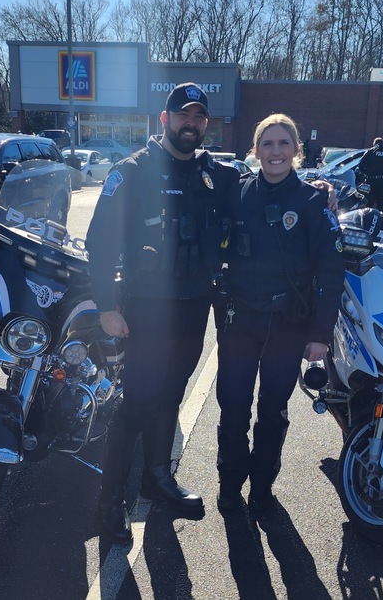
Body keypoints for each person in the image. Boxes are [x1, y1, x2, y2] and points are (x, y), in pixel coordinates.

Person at [85, 82, 238, 545]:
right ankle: (109, 501)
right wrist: (106, 307)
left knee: (171, 394)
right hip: (147, 309)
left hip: (194, 308)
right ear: (165, 119)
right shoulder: (133, 171)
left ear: (206, 125)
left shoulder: (216, 175)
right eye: (183, 115)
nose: (191, 123)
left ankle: (157, 479)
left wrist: (318, 190)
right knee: (137, 401)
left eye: (199, 117)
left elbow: (263, 195)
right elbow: (99, 242)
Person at [213, 113, 344, 512]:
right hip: (239, 321)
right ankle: (230, 483)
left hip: (287, 325)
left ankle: (262, 488)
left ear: (296, 150)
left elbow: (331, 270)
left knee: (272, 410)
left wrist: (320, 334)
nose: (275, 151)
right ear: (255, 151)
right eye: (267, 143)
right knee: (233, 407)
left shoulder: (313, 201)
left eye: (284, 143)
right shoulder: (235, 192)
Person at [357, 137, 383, 211]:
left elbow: (360, 165)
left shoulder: (370, 151)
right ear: (382, 143)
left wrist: (367, 173)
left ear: (374, 144)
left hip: (371, 181)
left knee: (368, 206)